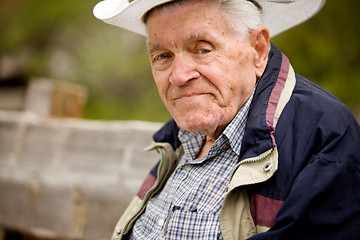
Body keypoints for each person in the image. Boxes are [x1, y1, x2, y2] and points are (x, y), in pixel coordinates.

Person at [93, 0, 360, 239]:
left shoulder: (325, 135)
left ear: (258, 50)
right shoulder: (181, 137)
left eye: (202, 49)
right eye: (163, 56)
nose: (179, 76)